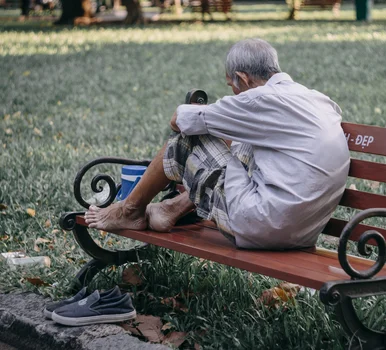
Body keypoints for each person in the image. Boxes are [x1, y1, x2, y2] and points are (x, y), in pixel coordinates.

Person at [85, 38, 350, 250]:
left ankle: (130, 210)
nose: (232, 92)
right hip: (303, 233)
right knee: (245, 142)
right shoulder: (318, 100)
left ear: (243, 79)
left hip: (258, 227)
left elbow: (179, 120)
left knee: (184, 143)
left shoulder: (257, 99)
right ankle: (171, 208)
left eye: (231, 85)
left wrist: (224, 122)